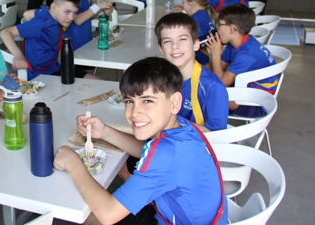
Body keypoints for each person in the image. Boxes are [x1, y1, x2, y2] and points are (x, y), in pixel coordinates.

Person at [53, 57, 227, 225]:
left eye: (148, 101)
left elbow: (107, 214)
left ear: (174, 103)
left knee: (89, 216)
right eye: (129, 101)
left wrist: (73, 163)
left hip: (169, 219)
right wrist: (105, 132)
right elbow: (146, 149)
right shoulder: (182, 126)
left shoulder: (166, 155)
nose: (135, 112)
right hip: (176, 213)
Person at [155, 13, 228, 131]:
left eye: (182, 39)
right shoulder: (158, 80)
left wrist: (173, 123)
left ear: (195, 44)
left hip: (194, 141)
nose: (175, 46)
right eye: (167, 41)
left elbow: (216, 134)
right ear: (161, 49)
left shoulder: (212, 87)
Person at [1, 0, 92, 80]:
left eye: (74, 12)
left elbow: (26, 14)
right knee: (93, 84)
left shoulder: (49, 13)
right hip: (40, 76)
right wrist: (18, 55)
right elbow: (5, 32)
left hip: (55, 68)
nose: (71, 17)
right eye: (67, 12)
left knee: (96, 81)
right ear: (54, 7)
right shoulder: (40, 24)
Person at [206, 4, 276, 117]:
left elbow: (221, 82)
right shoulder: (237, 43)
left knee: (211, 92)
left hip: (257, 103)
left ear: (233, 28)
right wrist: (212, 56)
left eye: (219, 25)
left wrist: (215, 56)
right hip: (245, 88)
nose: (216, 29)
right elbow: (219, 68)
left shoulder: (246, 54)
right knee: (204, 80)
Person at [176, 0, 216, 65]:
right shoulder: (204, 13)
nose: (183, 5)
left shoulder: (195, 19)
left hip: (201, 60)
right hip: (210, 56)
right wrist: (184, 11)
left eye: (183, 2)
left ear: (192, 4)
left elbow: (191, 41)